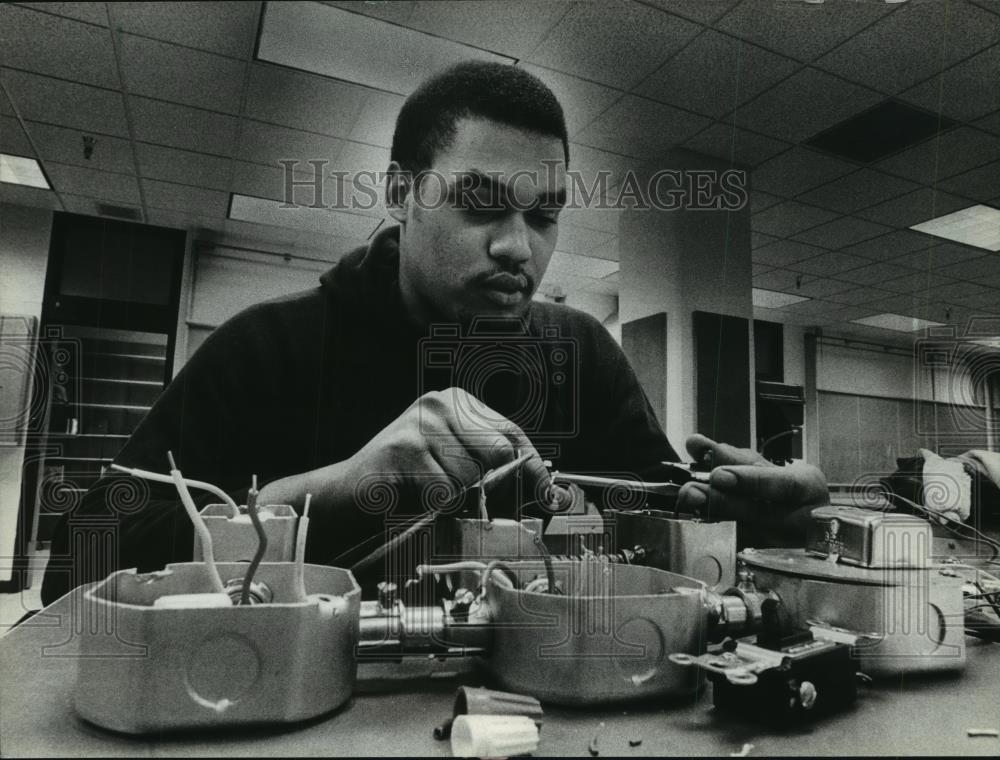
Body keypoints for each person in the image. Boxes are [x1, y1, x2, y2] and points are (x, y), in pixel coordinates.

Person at [41, 61, 828, 605]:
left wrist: (764, 517)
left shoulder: (579, 353)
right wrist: (329, 491)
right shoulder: (266, 348)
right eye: (481, 203)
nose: (519, 246)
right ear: (399, 193)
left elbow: (669, 529)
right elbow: (80, 563)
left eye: (544, 214)